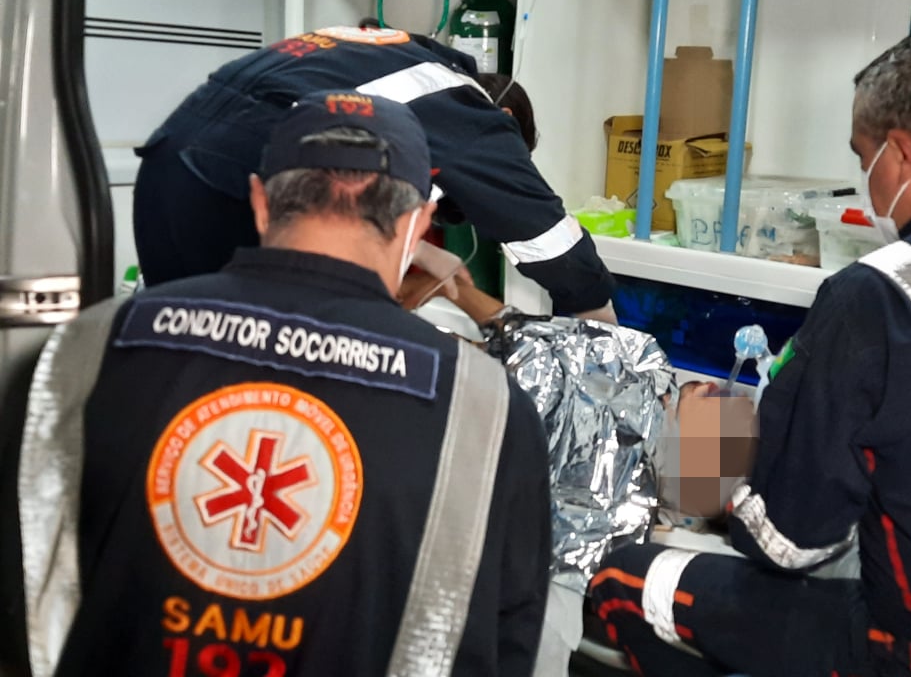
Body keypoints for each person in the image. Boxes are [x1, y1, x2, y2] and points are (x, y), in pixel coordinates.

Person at [17, 91, 551, 677]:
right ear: (416, 224)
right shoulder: (488, 409)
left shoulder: (91, 345)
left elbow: (25, 580)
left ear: (260, 203)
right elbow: (507, 639)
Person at [589, 25, 911, 677]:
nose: (867, 183)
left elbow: (790, 546)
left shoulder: (881, 294)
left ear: (900, 156)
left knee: (622, 578)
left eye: (863, 158)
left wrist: (715, 468)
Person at [132, 24, 617, 323]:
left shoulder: (397, 60)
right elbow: (553, 242)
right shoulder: (466, 108)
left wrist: (422, 252)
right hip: (232, 190)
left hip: (164, 170)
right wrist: (601, 325)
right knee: (260, 372)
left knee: (185, 353)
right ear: (506, 122)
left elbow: (339, 175)